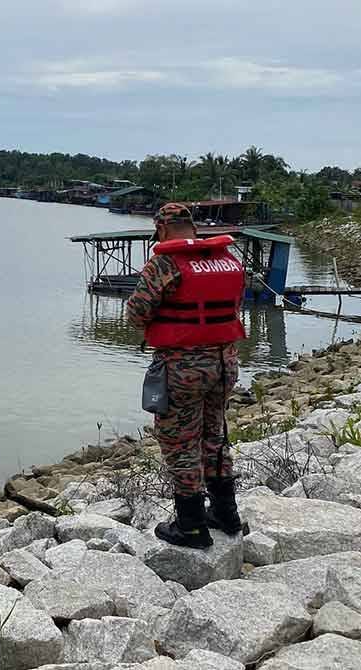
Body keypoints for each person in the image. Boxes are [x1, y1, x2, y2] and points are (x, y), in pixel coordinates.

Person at [126, 203, 245, 549]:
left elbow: (137, 313)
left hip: (184, 367)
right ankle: (226, 514)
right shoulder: (226, 259)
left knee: (180, 441)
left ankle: (191, 525)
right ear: (192, 228)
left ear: (161, 230)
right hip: (226, 363)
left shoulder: (165, 262)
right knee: (215, 435)